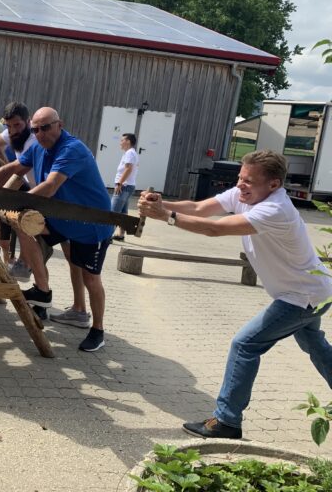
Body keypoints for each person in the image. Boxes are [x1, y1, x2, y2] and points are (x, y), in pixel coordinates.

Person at [138, 149, 332, 440]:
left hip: (301, 296)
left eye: (248, 181)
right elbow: (201, 209)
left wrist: (166, 217)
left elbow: (214, 230)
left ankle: (227, 421)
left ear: (274, 185)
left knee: (245, 345)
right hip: (311, 290)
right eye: (240, 178)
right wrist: (163, 203)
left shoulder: (275, 209)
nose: (240, 185)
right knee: (315, 345)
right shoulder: (245, 195)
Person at [0, 107, 113, 352]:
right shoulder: (38, 146)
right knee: (23, 227)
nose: (40, 133)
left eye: (45, 127)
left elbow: (50, 186)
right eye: (35, 129)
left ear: (59, 124)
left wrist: (14, 203)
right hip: (62, 220)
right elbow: (11, 169)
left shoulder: (71, 149)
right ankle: (43, 292)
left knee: (91, 278)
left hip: (91, 227)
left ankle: (97, 330)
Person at [0, 102, 38, 280]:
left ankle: (25, 265)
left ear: (28, 121)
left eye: (17, 125)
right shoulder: (13, 131)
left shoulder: (33, 141)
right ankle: (22, 265)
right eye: (8, 126)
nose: (12, 130)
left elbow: (16, 171)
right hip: (30, 189)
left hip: (44, 193)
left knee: (25, 224)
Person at [111, 133, 138, 241]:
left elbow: (128, 169)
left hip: (124, 186)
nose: (120, 142)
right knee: (123, 212)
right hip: (128, 186)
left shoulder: (130, 153)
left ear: (128, 141)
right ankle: (121, 234)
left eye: (122, 140)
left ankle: (107, 236)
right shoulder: (131, 153)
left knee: (113, 212)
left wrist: (119, 183)